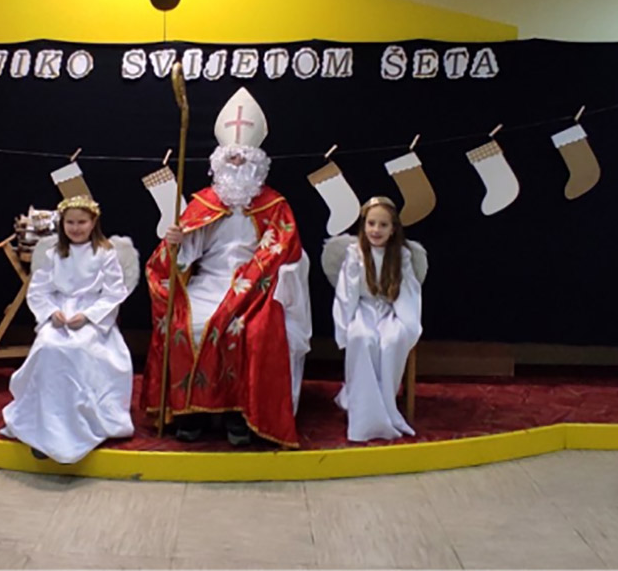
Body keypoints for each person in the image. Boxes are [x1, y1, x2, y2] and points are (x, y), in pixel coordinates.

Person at [142, 87, 312, 448]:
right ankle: (191, 412)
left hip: (257, 289)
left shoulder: (275, 205)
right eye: (230, 159)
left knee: (250, 331)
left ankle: (240, 413)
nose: (236, 164)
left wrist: (249, 282)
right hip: (208, 282)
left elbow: (284, 251)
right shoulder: (205, 202)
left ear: (257, 162)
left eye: (243, 159)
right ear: (219, 162)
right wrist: (177, 242)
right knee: (183, 323)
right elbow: (185, 256)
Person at [1, 195, 135, 464]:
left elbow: (113, 293)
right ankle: (46, 426)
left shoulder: (105, 253)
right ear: (62, 224)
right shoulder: (54, 254)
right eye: (70, 223)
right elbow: (39, 291)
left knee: (78, 348)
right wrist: (52, 312)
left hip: (91, 315)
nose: (76, 228)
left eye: (81, 222)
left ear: (93, 222)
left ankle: (80, 424)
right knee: (49, 347)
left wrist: (88, 316)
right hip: (60, 313)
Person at [333, 196, 422, 441]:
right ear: (364, 226)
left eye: (383, 225)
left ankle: (386, 406)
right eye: (371, 224)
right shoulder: (355, 254)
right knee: (362, 338)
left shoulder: (401, 255)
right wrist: (345, 323)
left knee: (392, 340)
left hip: (390, 310)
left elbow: (408, 292)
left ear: (393, 229)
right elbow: (347, 292)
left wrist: (407, 324)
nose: (376, 230)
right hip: (363, 309)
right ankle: (363, 408)